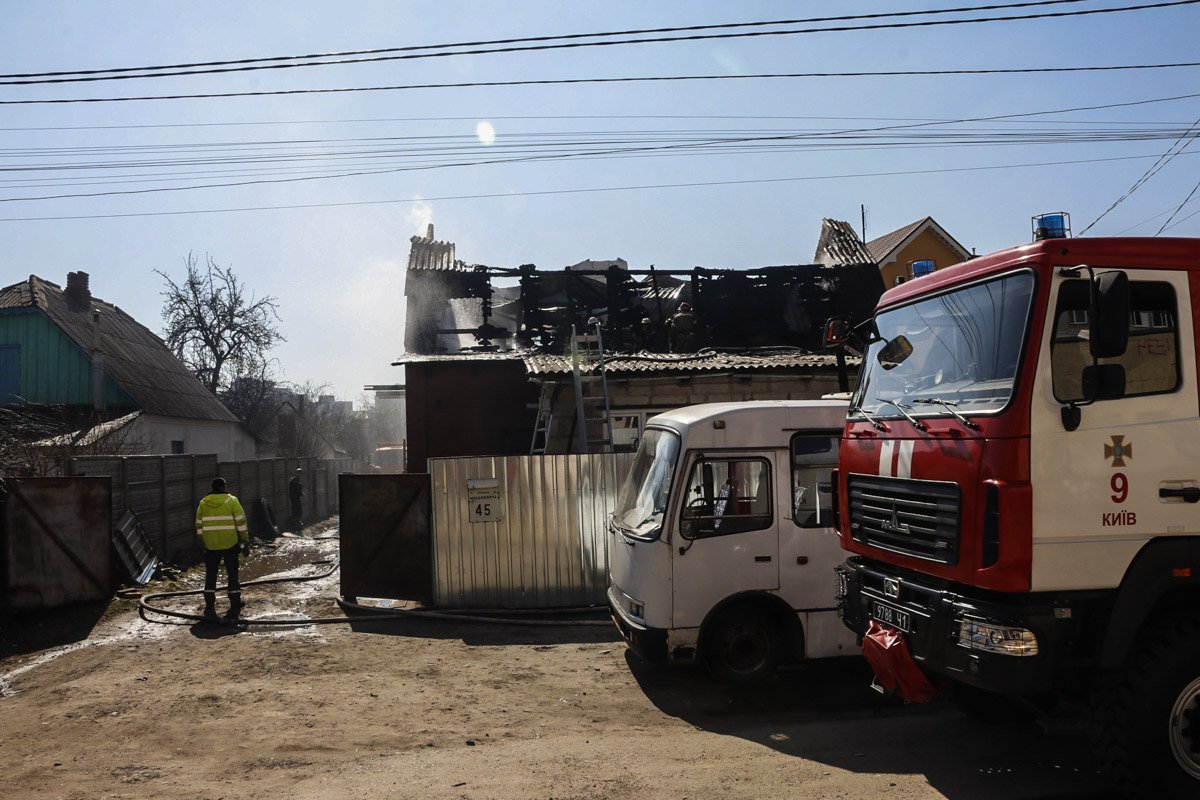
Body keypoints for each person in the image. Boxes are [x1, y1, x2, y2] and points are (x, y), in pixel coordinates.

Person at [195, 477, 249, 621]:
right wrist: (245, 541)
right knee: (232, 574)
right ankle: (235, 603)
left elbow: (199, 525)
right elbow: (241, 522)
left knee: (211, 575)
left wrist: (202, 542)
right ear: (223, 486)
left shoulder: (203, 503)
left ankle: (209, 606)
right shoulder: (231, 500)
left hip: (210, 545)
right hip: (230, 543)